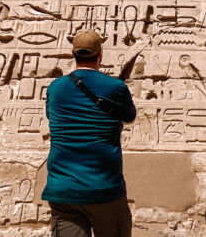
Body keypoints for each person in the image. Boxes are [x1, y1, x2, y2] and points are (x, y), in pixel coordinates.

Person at [43, 29, 137, 237]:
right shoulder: (115, 87)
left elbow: (53, 117)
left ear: (73, 54)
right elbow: (129, 118)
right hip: (103, 186)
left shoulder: (55, 87)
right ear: (100, 54)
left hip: (62, 187)